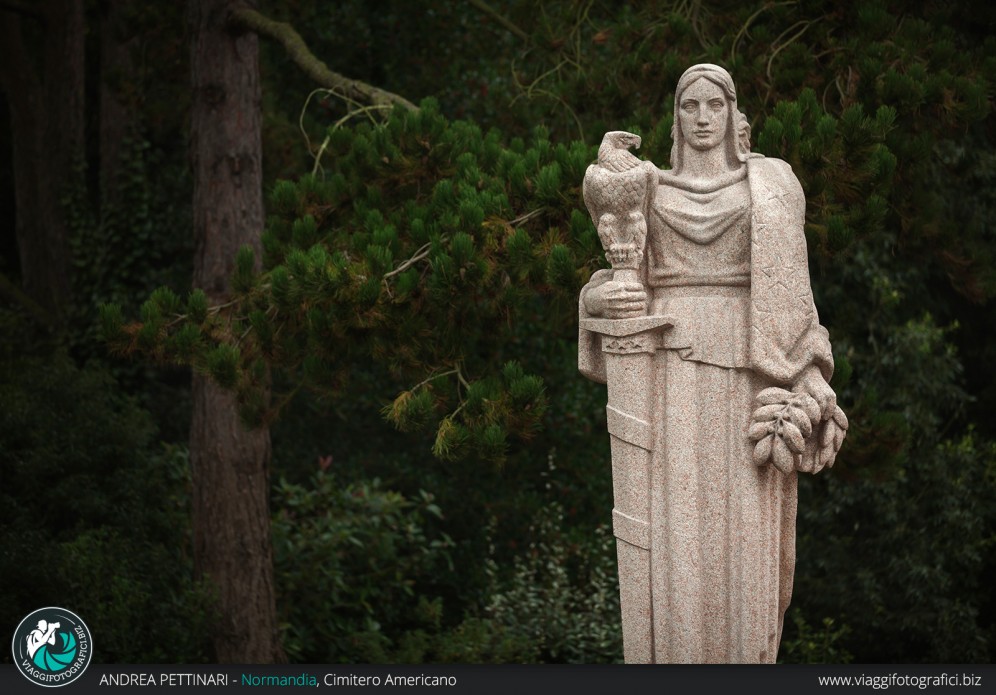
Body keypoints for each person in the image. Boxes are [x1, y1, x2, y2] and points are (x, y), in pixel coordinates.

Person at [578, 64, 838, 663]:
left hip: (752, 376)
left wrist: (811, 375)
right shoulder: (649, 188)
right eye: (689, 106)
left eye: (712, 106)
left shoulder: (771, 186)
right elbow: (617, 278)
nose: (701, 118)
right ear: (676, 116)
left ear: (732, 114)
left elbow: (794, 298)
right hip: (666, 375)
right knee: (672, 531)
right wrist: (598, 299)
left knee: (746, 531)